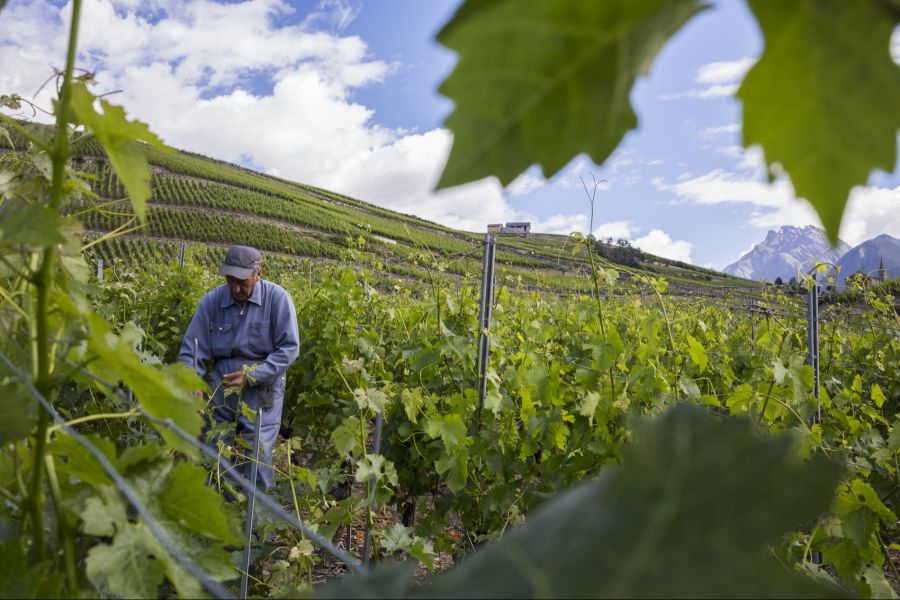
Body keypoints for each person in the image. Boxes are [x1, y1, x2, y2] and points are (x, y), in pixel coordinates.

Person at [179, 245, 299, 491]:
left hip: (261, 392)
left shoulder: (278, 300)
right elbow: (193, 347)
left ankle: (253, 525)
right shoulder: (212, 302)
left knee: (258, 458)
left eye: (241, 281)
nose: (235, 288)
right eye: (230, 280)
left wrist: (253, 375)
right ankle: (221, 520)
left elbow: (289, 349)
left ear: (258, 273)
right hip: (221, 389)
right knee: (214, 456)